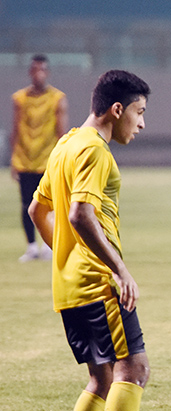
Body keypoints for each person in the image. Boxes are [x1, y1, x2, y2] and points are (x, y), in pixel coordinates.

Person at [28, 70, 155, 411]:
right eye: (138, 113)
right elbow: (79, 214)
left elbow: (37, 210)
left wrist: (67, 257)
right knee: (132, 369)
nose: (141, 124)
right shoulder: (96, 151)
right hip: (99, 285)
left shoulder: (66, 145)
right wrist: (118, 269)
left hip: (69, 286)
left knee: (101, 378)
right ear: (117, 109)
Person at [11, 54, 67, 262]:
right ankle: (31, 247)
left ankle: (47, 245)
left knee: (48, 205)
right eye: (35, 70)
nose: (39, 74)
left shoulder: (56, 98)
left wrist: (63, 158)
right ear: (30, 72)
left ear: (48, 72)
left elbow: (61, 131)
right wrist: (14, 159)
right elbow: (15, 129)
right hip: (25, 159)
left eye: (42, 70)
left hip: (48, 160)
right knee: (26, 204)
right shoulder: (20, 98)